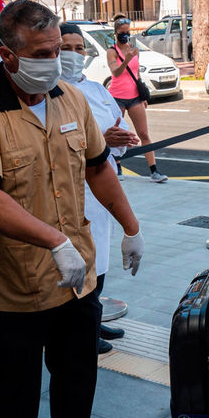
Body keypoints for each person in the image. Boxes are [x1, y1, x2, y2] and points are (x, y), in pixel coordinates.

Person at [0, 0, 144, 418]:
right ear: (6, 53)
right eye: (43, 52)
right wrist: (53, 240)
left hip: (78, 275)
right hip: (18, 282)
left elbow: (99, 167)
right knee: (13, 392)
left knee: (77, 377)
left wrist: (131, 227)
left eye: (58, 48)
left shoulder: (71, 98)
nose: (55, 60)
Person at [59, 22, 141, 354]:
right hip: (75, 189)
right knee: (83, 258)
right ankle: (82, 330)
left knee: (102, 256)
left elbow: (114, 127)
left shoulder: (96, 88)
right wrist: (100, 142)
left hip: (103, 185)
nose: (74, 54)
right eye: (67, 47)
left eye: (80, 48)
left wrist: (119, 141)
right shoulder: (53, 93)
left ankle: (94, 320)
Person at [107, 15, 166, 183]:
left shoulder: (134, 50)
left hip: (134, 97)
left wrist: (142, 96)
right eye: (122, 32)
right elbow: (116, 73)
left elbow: (137, 74)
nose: (125, 35)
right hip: (117, 97)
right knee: (117, 134)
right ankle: (117, 168)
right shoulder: (112, 51)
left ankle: (154, 170)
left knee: (144, 133)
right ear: (116, 33)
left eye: (127, 32)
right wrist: (126, 60)